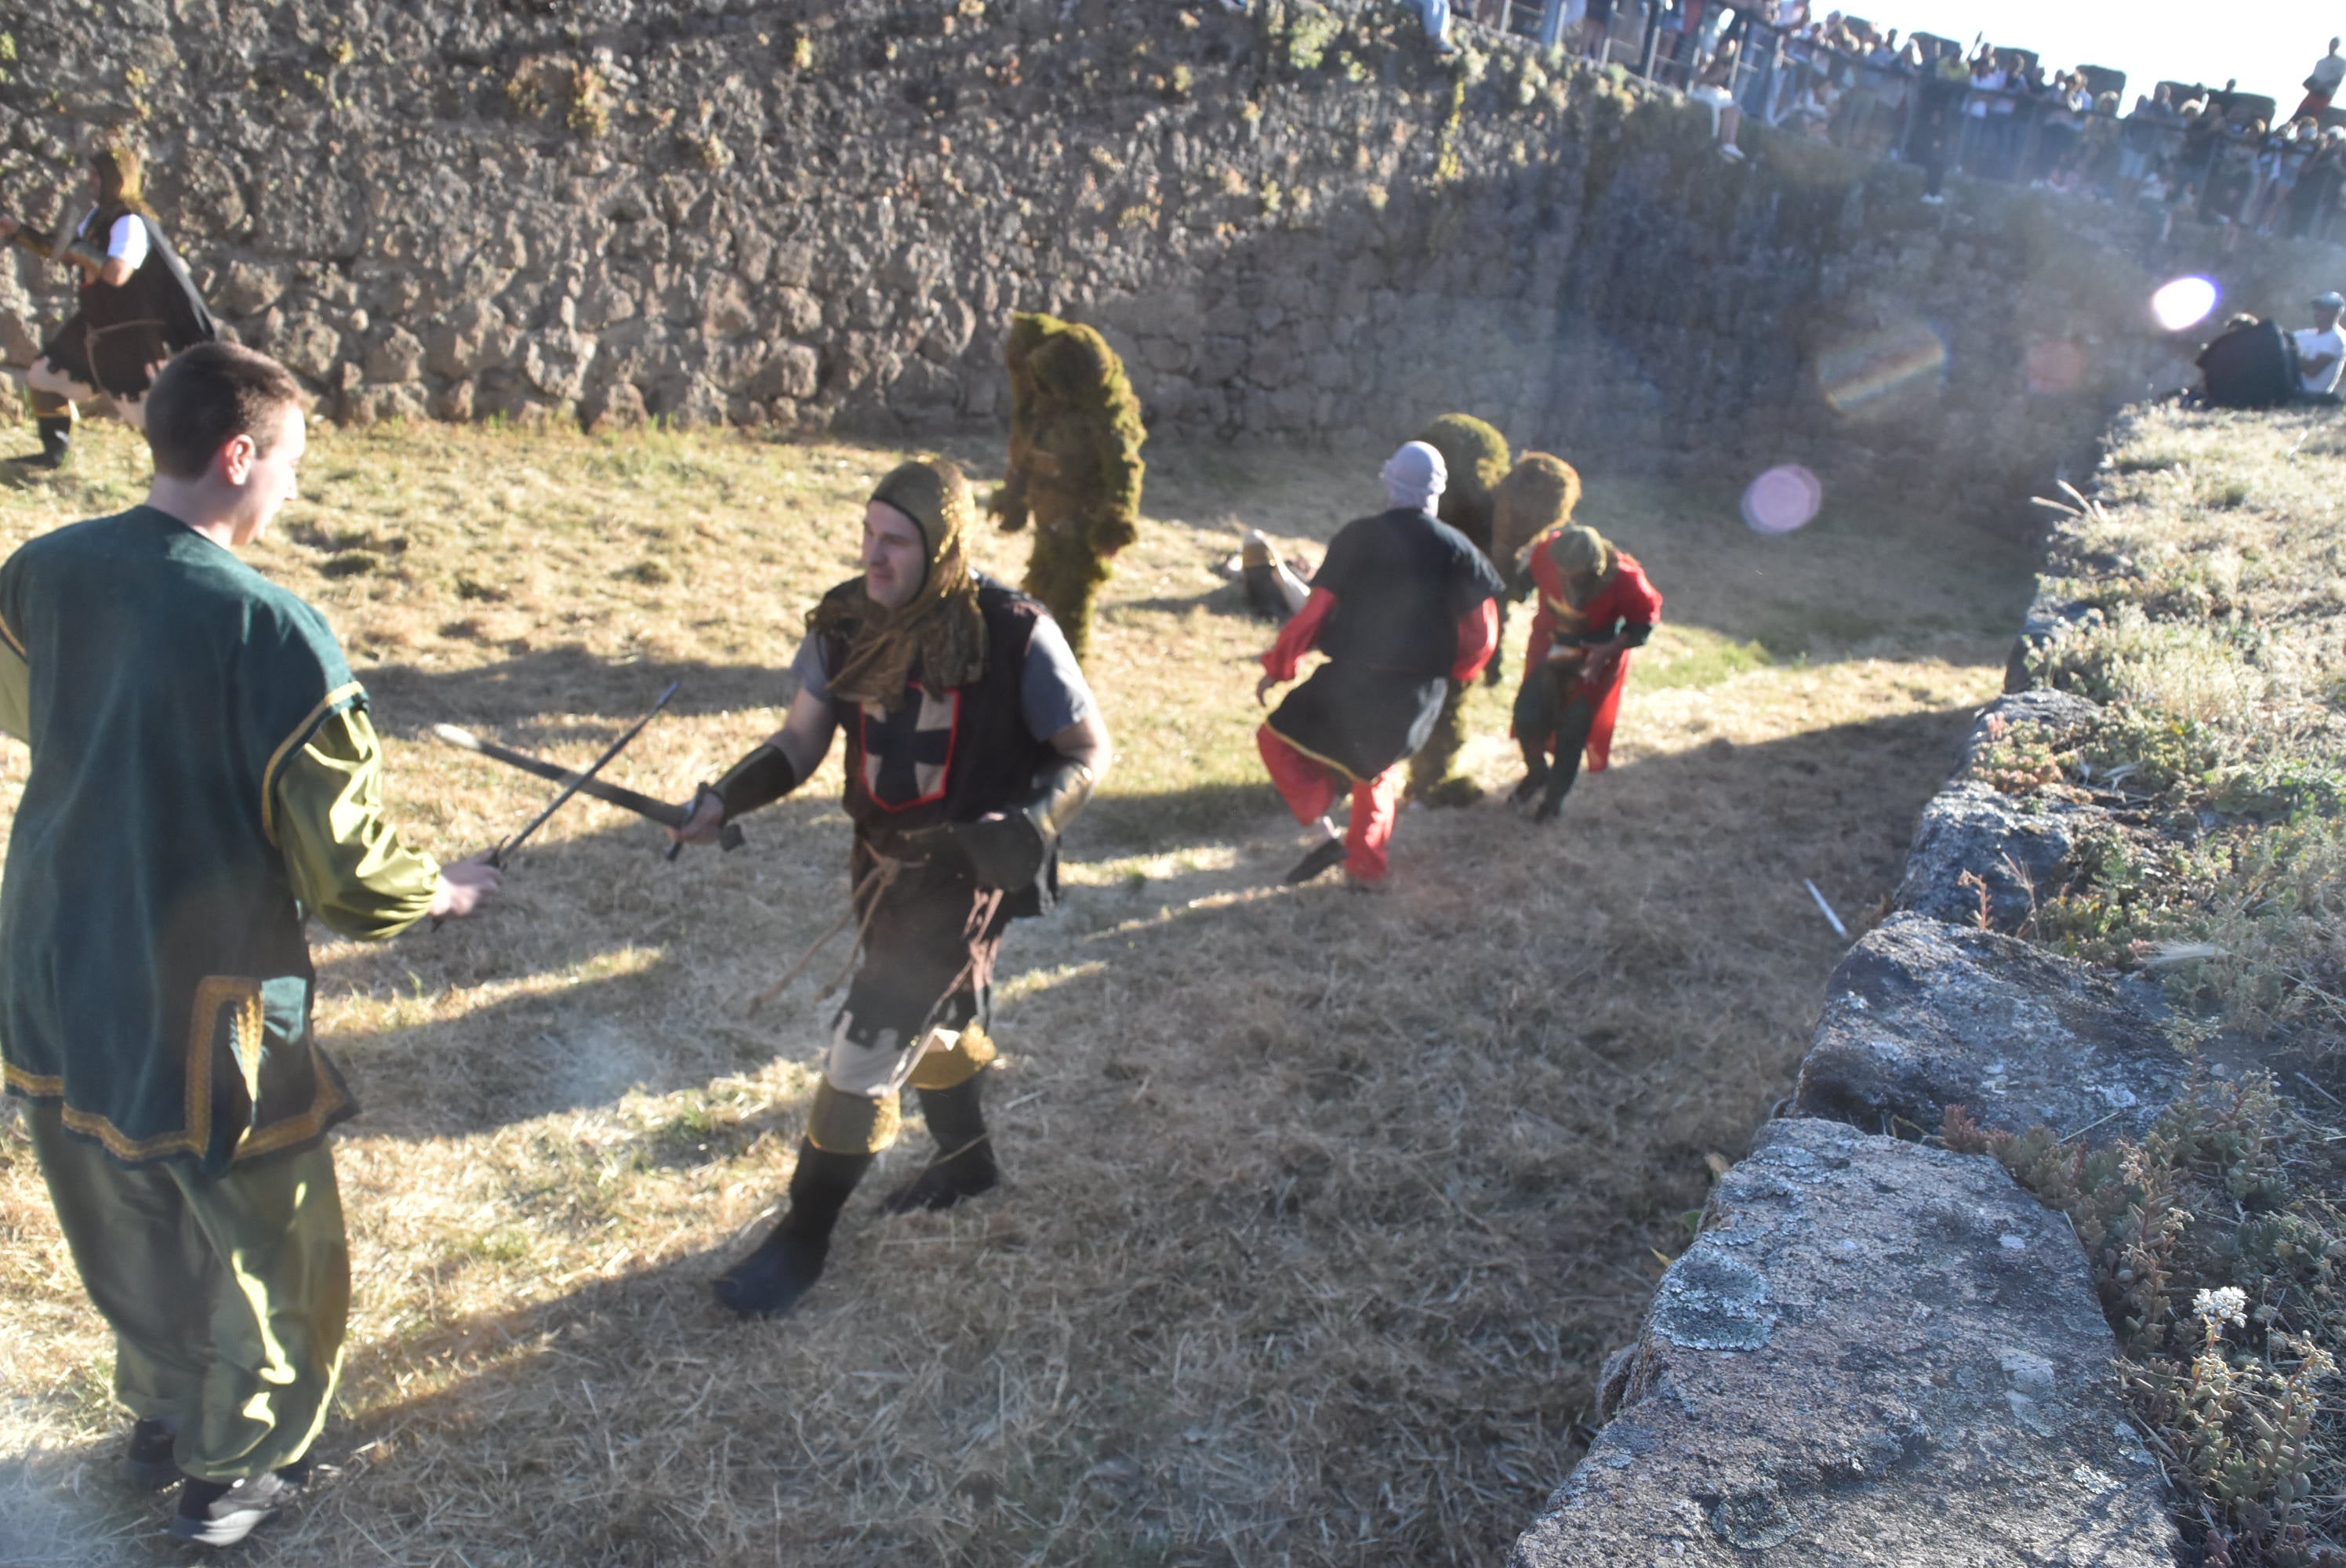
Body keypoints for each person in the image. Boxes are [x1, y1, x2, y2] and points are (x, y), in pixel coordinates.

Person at [0, 342, 499, 1548]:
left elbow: (30, 709)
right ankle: (240, 1469)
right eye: (288, 465)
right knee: (281, 1246)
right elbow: (348, 876)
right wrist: (437, 891)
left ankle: (167, 1412)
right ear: (238, 456)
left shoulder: (42, 570)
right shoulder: (276, 634)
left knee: (114, 1197)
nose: (290, 490)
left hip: (53, 956)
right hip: (216, 999)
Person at [676, 459, 1108, 1319]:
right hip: (879, 863)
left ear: (940, 543)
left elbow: (1088, 748)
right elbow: (800, 742)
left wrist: (1027, 825)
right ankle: (968, 1158)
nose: (874, 558)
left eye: (896, 541)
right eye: (867, 535)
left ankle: (802, 1234)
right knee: (942, 1014)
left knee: (867, 1036)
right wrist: (724, 796)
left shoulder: (1013, 630)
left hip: (966, 872)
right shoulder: (845, 621)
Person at [1254, 442, 1502, 890]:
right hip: (1415, 692)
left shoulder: (1358, 536)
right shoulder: (1460, 551)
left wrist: (1280, 664)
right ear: (1437, 491)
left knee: (1275, 741)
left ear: (1388, 481)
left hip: (1350, 679)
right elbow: (1482, 633)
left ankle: (1319, 828)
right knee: (1375, 775)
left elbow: (1317, 611)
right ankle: (1365, 873)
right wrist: (1455, 673)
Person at [0, 147, 215, 468]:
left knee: (152, 418)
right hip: (93, 327)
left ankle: (193, 477)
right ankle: (52, 456)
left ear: (118, 179)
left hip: (129, 336)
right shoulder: (96, 219)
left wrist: (79, 250)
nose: (92, 182)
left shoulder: (130, 223)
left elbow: (117, 273)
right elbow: (63, 249)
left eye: (98, 176)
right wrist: (17, 231)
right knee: (44, 378)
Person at [990, 313, 1146, 664]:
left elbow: (1123, 468)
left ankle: (1065, 697)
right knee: (1035, 608)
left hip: (1080, 532)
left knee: (1066, 623)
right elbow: (1024, 455)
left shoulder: (1098, 417)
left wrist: (1114, 524)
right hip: (1050, 526)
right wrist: (1013, 497)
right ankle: (1033, 682)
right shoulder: (1042, 410)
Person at [1511, 524, 1663, 822]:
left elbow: (1643, 624)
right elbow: (1524, 582)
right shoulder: (1548, 552)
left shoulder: (1625, 578)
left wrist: (1609, 647)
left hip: (1595, 659)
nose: (1566, 577)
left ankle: (1552, 803)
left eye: (1575, 573)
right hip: (1550, 648)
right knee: (1527, 716)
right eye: (1562, 570)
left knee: (1572, 731)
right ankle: (1537, 774)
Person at [2294, 292, 2346, 398]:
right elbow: (2277, 337)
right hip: (2295, 389)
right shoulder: (2306, 334)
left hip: (2312, 395)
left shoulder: (2337, 338)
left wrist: (2289, 356)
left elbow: (2312, 370)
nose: (2318, 312)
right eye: (2317, 308)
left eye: (2324, 309)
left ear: (2337, 312)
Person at [2294, 38, 2345, 125]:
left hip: (2325, 95)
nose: (2332, 46)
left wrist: (2323, 85)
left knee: (2313, 119)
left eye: (2335, 45)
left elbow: (2337, 80)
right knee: (2298, 115)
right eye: (2331, 44)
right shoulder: (2321, 62)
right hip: (2313, 93)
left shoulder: (2341, 62)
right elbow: (2314, 78)